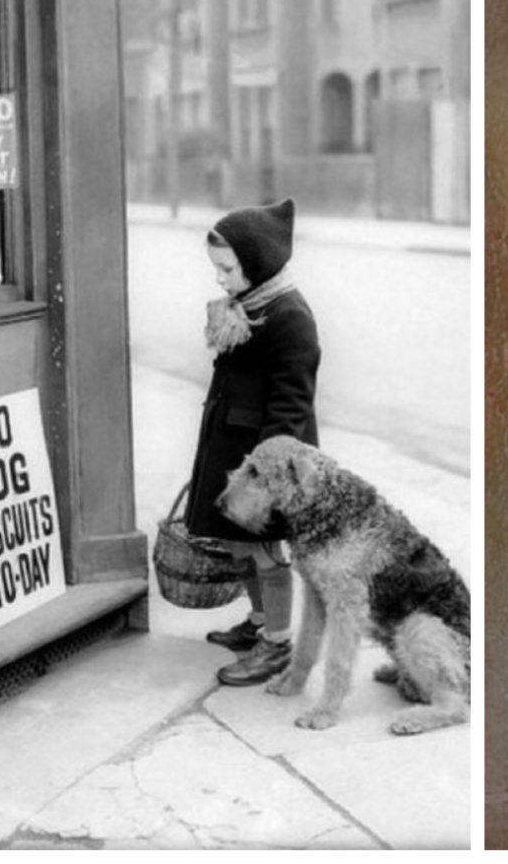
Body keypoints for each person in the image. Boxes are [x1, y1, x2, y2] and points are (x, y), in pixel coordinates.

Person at [182, 200, 321, 687]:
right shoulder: (251, 306)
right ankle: (260, 621)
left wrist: (261, 479)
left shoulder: (290, 317)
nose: (219, 279)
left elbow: (291, 406)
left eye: (226, 268)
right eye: (215, 268)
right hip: (230, 447)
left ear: (256, 263)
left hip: (265, 461)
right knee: (235, 545)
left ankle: (278, 643)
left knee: (263, 550)